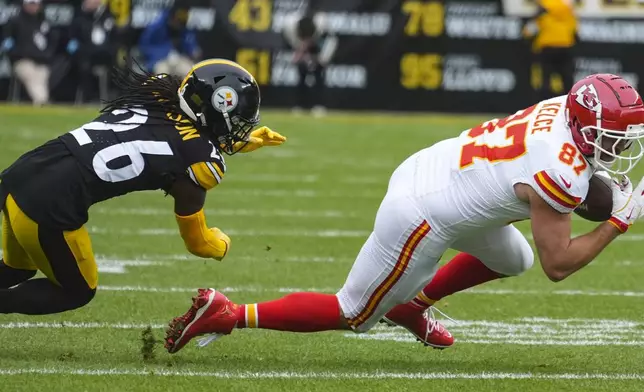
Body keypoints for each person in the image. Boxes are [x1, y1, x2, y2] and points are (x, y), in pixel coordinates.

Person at [164, 74, 644, 354]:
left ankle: (412, 305)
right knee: (353, 313)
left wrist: (600, 197)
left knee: (512, 259)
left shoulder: (563, 110)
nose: (620, 146)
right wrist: (617, 221)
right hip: (423, 214)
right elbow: (557, 264)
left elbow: (566, 187)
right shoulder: (559, 164)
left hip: (438, 169)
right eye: (615, 136)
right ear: (585, 125)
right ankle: (228, 314)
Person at [0, 59, 286, 315]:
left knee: (17, 268)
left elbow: (171, 131)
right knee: (77, 290)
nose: (240, 127)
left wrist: (238, 142)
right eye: (237, 120)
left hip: (23, 172)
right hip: (48, 204)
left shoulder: (157, 92)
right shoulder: (198, 162)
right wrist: (221, 245)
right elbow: (198, 243)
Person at [1, 0, 60, 105]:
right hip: (22, 60)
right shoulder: (15, 21)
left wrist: (46, 54)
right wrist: (16, 54)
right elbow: (7, 42)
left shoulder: (43, 21)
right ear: (25, 5)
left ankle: (42, 101)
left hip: (41, 60)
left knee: (42, 76)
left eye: (35, 4)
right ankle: (42, 101)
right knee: (32, 75)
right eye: (31, 4)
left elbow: (52, 41)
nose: (33, 7)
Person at [523, 0, 578, 101]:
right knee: (567, 80)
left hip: (547, 47)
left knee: (545, 81)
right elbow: (575, 30)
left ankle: (545, 106)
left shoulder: (543, 8)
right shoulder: (567, 8)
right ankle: (569, 106)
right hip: (565, 46)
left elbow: (528, 32)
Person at [67, 0, 120, 103]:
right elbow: (73, 40)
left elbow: (115, 40)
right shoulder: (78, 16)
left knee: (117, 65)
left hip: (105, 55)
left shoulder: (108, 16)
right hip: (84, 55)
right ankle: (87, 98)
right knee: (82, 67)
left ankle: (112, 96)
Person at [138, 6, 201, 77]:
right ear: (171, 18)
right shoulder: (156, 27)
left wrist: (193, 50)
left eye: (181, 22)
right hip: (160, 60)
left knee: (191, 73)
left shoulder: (183, 28)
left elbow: (190, 45)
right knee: (162, 75)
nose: (179, 24)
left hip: (179, 59)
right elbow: (144, 47)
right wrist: (161, 54)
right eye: (177, 20)